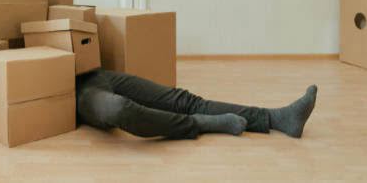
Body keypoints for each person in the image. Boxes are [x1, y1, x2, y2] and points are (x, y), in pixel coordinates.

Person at [76, 69, 317, 139]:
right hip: (74, 91)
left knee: (184, 100)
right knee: (120, 109)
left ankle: (277, 118)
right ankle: (198, 124)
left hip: (92, 72)